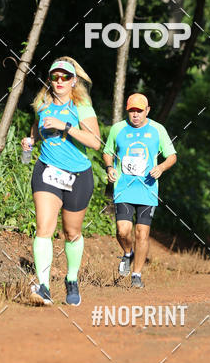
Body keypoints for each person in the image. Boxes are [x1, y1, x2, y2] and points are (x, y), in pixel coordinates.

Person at [21, 57, 101, 306]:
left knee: (71, 232)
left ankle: (71, 278)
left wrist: (66, 126)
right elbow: (37, 127)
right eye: (55, 77)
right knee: (44, 228)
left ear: (73, 80)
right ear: (49, 80)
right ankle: (43, 286)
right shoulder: (43, 103)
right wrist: (31, 140)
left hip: (78, 175)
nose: (59, 81)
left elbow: (96, 143)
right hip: (47, 171)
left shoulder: (82, 105)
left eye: (65, 77)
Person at [103, 93, 176, 288]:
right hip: (123, 189)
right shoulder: (118, 129)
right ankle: (128, 253)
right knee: (122, 231)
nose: (135, 114)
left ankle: (136, 274)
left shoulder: (157, 130)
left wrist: (161, 167)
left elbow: (172, 156)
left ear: (147, 110)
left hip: (147, 189)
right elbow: (107, 152)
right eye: (132, 111)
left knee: (142, 233)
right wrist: (110, 168)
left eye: (139, 111)